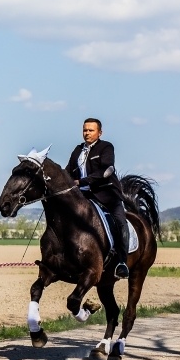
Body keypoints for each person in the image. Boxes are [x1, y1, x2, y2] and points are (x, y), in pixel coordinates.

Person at [66, 118, 129, 279]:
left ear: (99, 133)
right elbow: (68, 171)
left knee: (120, 222)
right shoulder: (77, 150)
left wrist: (83, 181)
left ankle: (122, 263)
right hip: (82, 196)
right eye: (85, 130)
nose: (87, 133)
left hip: (107, 195)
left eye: (91, 130)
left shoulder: (106, 147)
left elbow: (107, 170)